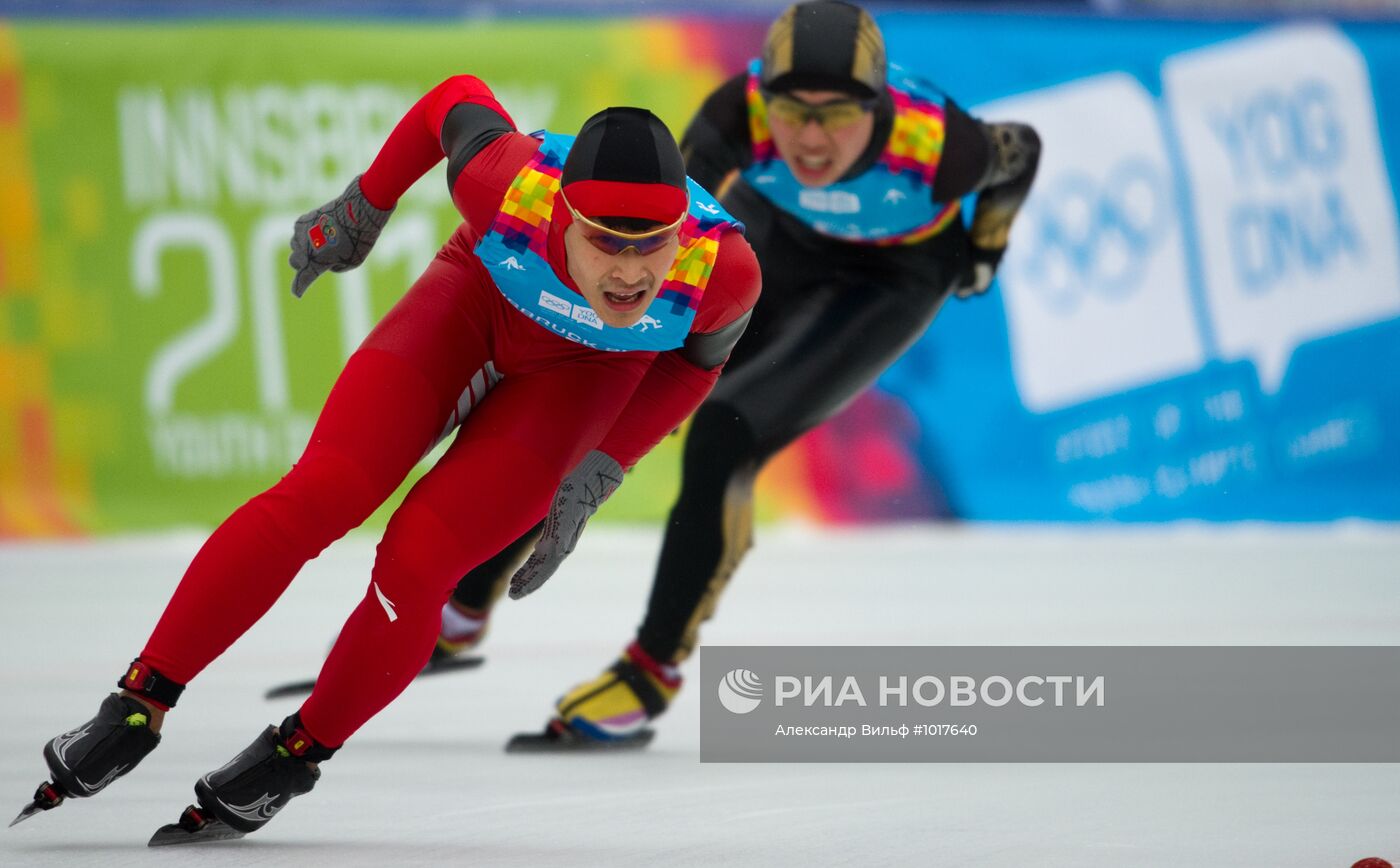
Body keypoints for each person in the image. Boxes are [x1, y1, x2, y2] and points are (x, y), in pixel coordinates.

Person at [15, 75, 759, 840]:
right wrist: (363, 204)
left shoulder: (723, 272)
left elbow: (692, 367)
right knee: (324, 493)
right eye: (606, 241)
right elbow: (454, 98)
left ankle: (296, 754)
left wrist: (607, 465)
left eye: (652, 245)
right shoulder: (505, 186)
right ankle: (139, 702)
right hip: (476, 304)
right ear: (561, 215)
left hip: (588, 375)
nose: (633, 272)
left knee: (417, 565)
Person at [438, 0, 1042, 749]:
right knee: (612, 380)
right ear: (766, 99)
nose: (812, 138)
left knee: (727, 430)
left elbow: (1021, 148)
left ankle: (648, 672)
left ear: (878, 106)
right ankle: (464, 599)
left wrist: (985, 242)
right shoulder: (737, 117)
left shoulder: (939, 143)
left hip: (893, 273)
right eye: (794, 111)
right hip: (781, 232)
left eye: (836, 116)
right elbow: (670, 228)